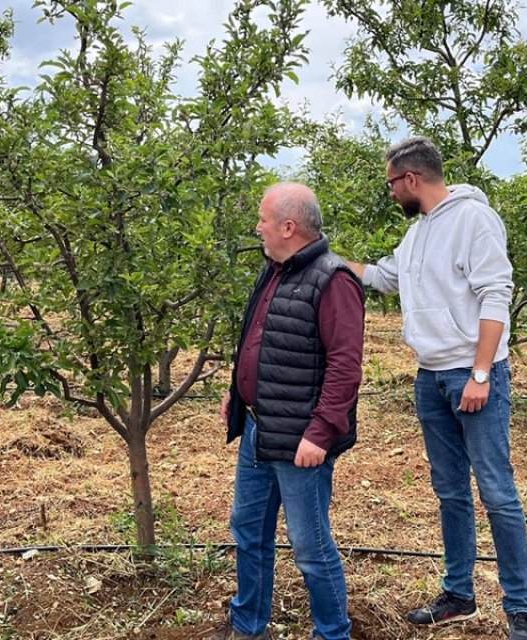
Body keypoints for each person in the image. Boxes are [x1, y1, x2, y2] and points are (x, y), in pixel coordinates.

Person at [347, 137, 527, 639]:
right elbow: (388, 277)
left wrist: (480, 372)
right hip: (431, 377)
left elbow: (496, 293)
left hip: (472, 377)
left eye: (392, 184)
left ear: (410, 179)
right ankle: (459, 595)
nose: (391, 194)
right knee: (450, 491)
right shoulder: (418, 234)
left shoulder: (474, 219)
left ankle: (521, 608)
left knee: (496, 491)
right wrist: (333, 261)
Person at [211, 183, 365, 640]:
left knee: (310, 546)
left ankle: (333, 632)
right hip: (260, 429)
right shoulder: (275, 270)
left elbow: (345, 367)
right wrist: (239, 393)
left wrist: (321, 433)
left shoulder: (334, 279)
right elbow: (260, 337)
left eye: (262, 219)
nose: (257, 227)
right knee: (248, 531)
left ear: (288, 226)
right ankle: (248, 625)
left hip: (301, 441)